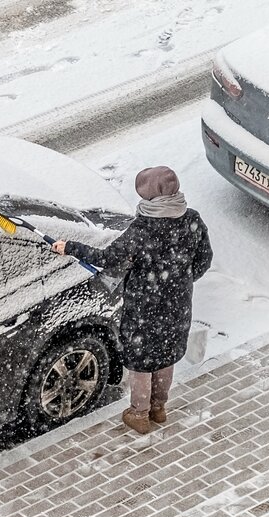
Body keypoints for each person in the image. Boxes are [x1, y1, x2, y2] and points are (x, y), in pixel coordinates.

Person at [51, 166, 213, 435]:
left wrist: (71, 247)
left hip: (143, 308)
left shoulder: (142, 230)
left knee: (141, 362)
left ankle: (139, 413)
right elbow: (204, 260)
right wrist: (180, 283)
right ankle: (159, 408)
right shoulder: (192, 219)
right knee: (165, 357)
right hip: (178, 306)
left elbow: (106, 259)